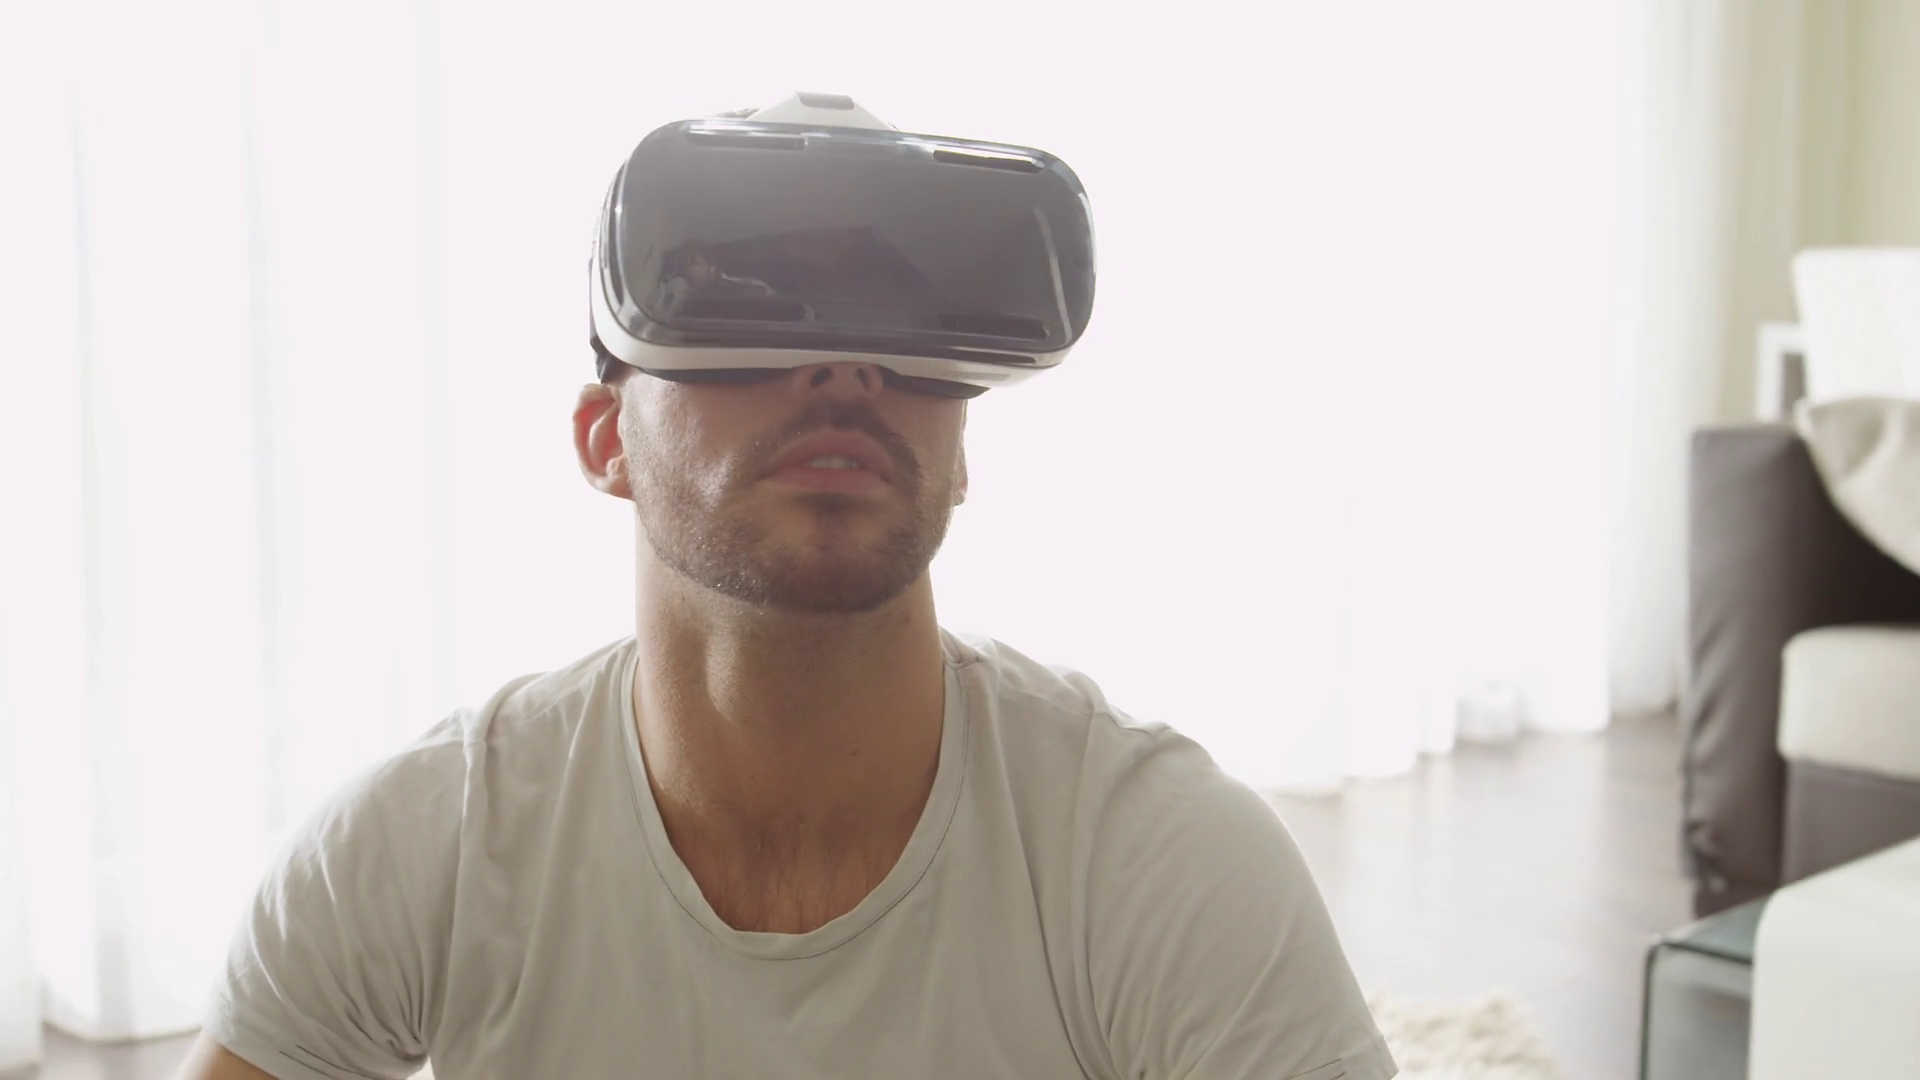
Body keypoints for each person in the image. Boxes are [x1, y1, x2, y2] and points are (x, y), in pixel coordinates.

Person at [176, 96, 1396, 1080]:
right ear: (605, 441)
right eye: (746, 306)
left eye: (902, 329)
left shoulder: (1150, 856)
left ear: (959, 459)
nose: (844, 368)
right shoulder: (429, 843)